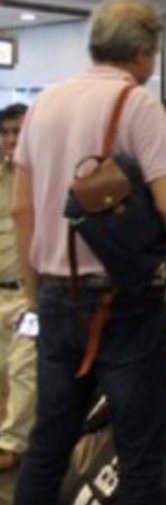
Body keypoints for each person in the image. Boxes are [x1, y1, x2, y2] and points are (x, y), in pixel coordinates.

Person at [10, 1, 166, 505]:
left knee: (47, 446)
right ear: (144, 51)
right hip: (126, 302)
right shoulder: (136, 104)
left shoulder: (45, 102)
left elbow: (22, 209)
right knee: (140, 457)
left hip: (57, 296)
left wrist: (33, 290)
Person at [0, 103, 35, 473]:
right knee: (4, 369)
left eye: (18, 132)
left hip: (32, 295)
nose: (11, 139)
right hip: (1, 291)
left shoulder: (47, 178)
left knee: (23, 366)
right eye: (6, 132)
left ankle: (13, 444)